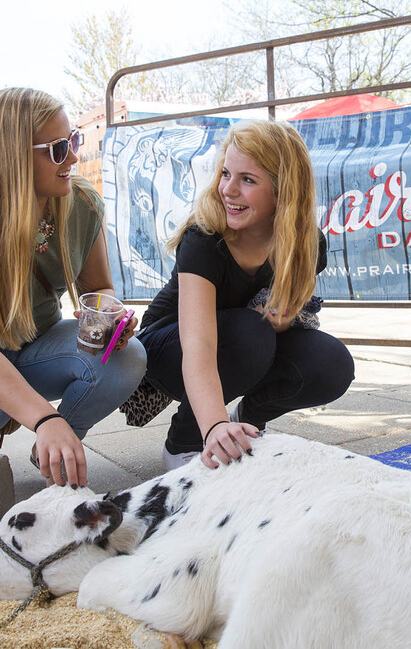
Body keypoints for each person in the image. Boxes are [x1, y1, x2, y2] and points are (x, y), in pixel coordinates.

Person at [0, 87, 146, 488]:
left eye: (73, 141)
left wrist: (108, 318)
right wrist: (44, 417)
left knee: (127, 358)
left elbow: (99, 287)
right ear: (12, 157)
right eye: (56, 149)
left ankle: (55, 448)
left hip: (34, 342)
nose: (72, 157)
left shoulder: (81, 203)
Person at [137, 120, 355, 471]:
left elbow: (287, 320)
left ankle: (249, 421)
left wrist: (282, 321)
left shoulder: (307, 243)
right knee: (250, 333)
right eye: (226, 174)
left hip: (244, 342)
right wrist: (213, 425)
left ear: (282, 190)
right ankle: (187, 442)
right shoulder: (204, 238)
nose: (228, 189)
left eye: (247, 179)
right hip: (169, 348)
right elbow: (199, 345)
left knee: (331, 363)